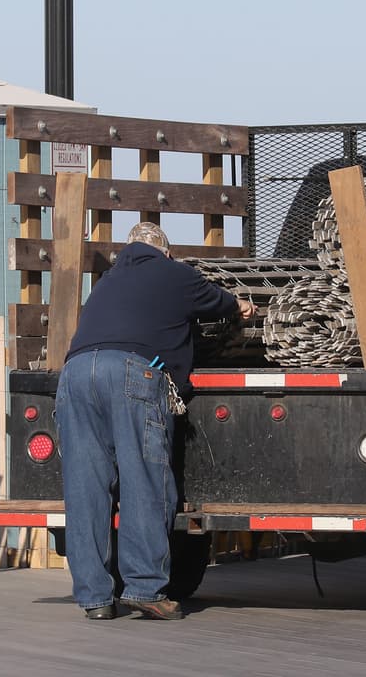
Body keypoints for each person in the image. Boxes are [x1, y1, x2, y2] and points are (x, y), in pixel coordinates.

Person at [56, 221, 256, 620]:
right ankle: (146, 588)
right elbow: (217, 302)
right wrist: (240, 306)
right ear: (165, 252)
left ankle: (95, 599)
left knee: (85, 488)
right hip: (132, 372)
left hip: (76, 375)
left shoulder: (106, 282)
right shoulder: (174, 273)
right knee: (143, 480)